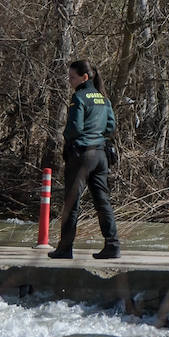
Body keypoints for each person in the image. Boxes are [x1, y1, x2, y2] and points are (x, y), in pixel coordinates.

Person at [49, 59, 120, 259]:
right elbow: (110, 127)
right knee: (102, 201)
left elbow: (75, 128)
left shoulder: (78, 98)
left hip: (82, 155)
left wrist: (67, 142)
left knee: (72, 203)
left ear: (84, 77)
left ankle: (65, 248)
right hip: (101, 155)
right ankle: (112, 245)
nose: (69, 81)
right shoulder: (103, 99)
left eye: (72, 77)